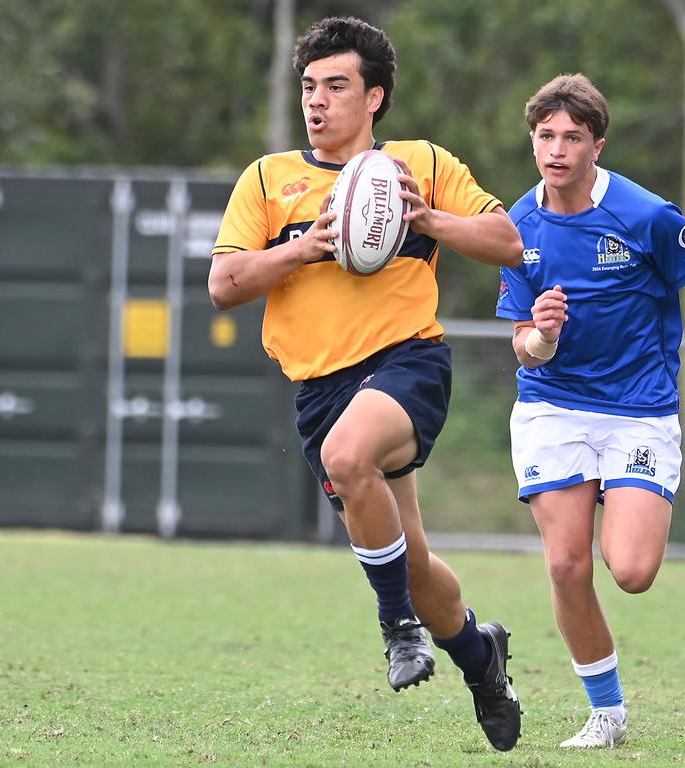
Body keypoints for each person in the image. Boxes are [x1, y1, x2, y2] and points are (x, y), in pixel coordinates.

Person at [209, 16, 523, 752]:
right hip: (319, 388)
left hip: (405, 362)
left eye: (336, 86)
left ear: (374, 96)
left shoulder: (420, 163)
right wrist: (304, 248)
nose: (316, 102)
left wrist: (432, 218)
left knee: (352, 458)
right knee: (412, 563)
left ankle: (397, 630)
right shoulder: (267, 178)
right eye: (308, 87)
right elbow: (224, 283)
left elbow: (509, 241)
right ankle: (482, 658)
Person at [496, 73, 685, 749]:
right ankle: (607, 714)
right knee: (567, 565)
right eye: (545, 136)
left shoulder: (645, 215)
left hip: (639, 412)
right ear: (532, 140)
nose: (557, 149)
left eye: (572, 137)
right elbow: (523, 349)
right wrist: (543, 335)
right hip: (552, 407)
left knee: (631, 570)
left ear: (597, 144)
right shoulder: (517, 225)